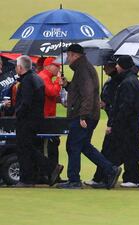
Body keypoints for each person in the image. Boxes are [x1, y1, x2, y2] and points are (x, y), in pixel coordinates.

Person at [57, 44, 121, 189]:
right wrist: (67, 84)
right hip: (88, 114)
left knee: (73, 145)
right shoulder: (83, 68)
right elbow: (81, 90)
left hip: (84, 115)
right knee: (83, 146)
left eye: (68, 55)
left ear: (74, 55)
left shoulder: (83, 70)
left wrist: (83, 116)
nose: (67, 58)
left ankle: (74, 180)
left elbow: (87, 94)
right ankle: (111, 169)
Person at [102, 56, 139, 189]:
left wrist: (114, 123)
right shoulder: (131, 80)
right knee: (132, 150)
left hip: (128, 123)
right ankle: (136, 178)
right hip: (131, 121)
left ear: (122, 66)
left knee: (137, 150)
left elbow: (125, 107)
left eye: (118, 65)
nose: (116, 67)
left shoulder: (128, 82)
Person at [85, 59, 139, 188]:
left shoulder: (123, 81)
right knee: (123, 149)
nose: (104, 68)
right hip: (121, 120)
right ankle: (107, 176)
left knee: (118, 149)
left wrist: (112, 122)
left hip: (123, 122)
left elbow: (122, 105)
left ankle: (110, 175)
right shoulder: (122, 80)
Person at [13, 55, 63, 187]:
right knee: (29, 148)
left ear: (20, 67)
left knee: (25, 149)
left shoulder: (28, 80)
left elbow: (26, 102)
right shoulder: (34, 78)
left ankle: (34, 175)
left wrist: (17, 113)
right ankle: (35, 175)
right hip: (35, 119)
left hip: (27, 120)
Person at [37, 57, 62, 176]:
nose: (59, 68)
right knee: (48, 147)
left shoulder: (45, 77)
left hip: (48, 116)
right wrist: (58, 81)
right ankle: (49, 173)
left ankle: (53, 174)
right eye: (56, 66)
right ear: (47, 66)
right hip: (46, 118)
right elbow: (52, 92)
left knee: (52, 146)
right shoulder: (44, 77)